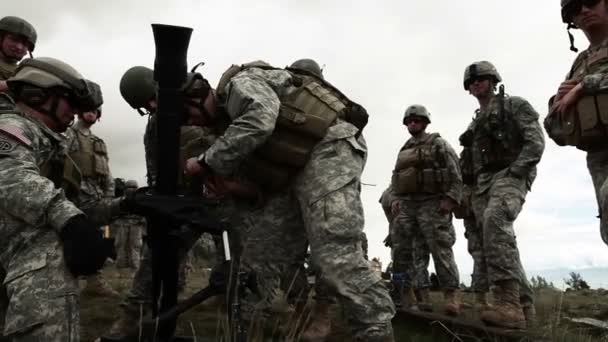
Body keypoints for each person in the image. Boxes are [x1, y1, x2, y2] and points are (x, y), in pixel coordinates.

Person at [185, 60, 395, 341]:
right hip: (292, 173)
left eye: (188, 112)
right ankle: (244, 333)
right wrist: (230, 186)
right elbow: (262, 186)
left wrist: (205, 162)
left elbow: (260, 119)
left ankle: (375, 331)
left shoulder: (241, 84)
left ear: (198, 96)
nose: (192, 122)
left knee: (334, 255)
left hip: (328, 148)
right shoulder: (228, 127)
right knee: (258, 261)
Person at [108, 65, 254, 338]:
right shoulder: (155, 127)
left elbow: (236, 147)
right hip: (183, 203)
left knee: (237, 261)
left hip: (223, 198)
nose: (153, 105)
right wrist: (161, 205)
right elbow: (155, 169)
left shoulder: (203, 105)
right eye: (145, 105)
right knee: (155, 261)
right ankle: (131, 320)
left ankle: (236, 321)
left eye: (152, 97)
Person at [0, 57, 109, 341]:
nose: (73, 111)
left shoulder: (52, 146)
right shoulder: (11, 126)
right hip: (14, 251)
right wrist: (69, 220)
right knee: (50, 248)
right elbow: (11, 178)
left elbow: (80, 205)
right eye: (69, 101)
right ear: (40, 95)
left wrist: (128, 205)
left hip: (8, 253)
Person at [461, 61, 544, 329]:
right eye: (472, 81)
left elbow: (535, 141)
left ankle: (508, 305)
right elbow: (472, 161)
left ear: (493, 80)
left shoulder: (514, 105)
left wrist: (516, 171)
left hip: (510, 173)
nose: (476, 83)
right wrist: (467, 189)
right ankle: (525, 305)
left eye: (482, 78)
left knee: (495, 220)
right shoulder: (476, 122)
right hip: (482, 183)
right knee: (492, 239)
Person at [389, 104, 463, 316]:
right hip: (408, 205)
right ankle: (407, 293)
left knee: (440, 248)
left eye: (417, 120)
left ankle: (451, 295)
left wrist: (451, 199)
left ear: (425, 122)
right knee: (402, 249)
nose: (413, 123)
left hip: (432, 203)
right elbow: (397, 176)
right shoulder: (404, 150)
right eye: (409, 121)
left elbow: (455, 172)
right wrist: (395, 198)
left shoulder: (438, 144)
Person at [546, 0, 608, 248]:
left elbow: (585, 87)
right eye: (574, 8)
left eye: (591, 1)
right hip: (599, 155)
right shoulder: (580, 63)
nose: (583, 11)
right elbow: (554, 129)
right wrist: (558, 103)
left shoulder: (583, 76)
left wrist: (585, 86)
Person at [65, 105, 119, 297]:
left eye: (95, 111)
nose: (91, 113)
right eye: (88, 109)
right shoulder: (68, 134)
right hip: (75, 196)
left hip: (97, 197)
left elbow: (107, 171)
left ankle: (95, 280)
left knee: (102, 237)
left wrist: (109, 196)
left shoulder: (98, 141)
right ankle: (72, 281)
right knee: (76, 238)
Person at [113, 179, 145, 270]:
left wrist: (142, 219)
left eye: (133, 187)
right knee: (120, 245)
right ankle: (121, 266)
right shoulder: (119, 200)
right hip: (122, 223)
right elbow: (114, 211)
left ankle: (135, 266)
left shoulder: (140, 200)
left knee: (135, 245)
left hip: (135, 224)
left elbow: (144, 213)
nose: (131, 190)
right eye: (129, 187)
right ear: (125, 189)